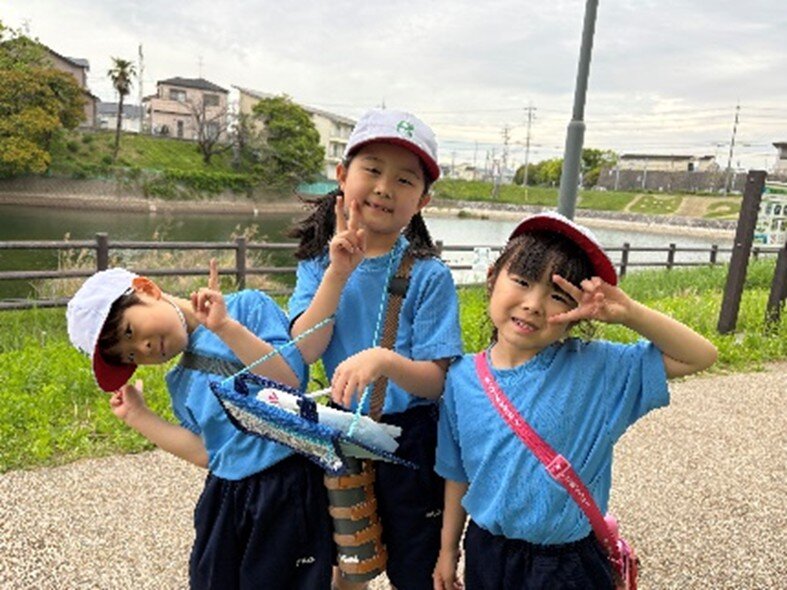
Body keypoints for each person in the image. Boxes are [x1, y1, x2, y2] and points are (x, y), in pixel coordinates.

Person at [432, 211, 718, 590]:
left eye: (558, 296)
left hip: (568, 563)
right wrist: (448, 549)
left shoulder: (598, 368)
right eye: (522, 281)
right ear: (491, 278)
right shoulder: (461, 377)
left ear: (577, 314)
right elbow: (456, 473)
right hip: (487, 551)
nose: (534, 304)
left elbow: (700, 355)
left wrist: (630, 313)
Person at [65, 260, 333, 590]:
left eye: (129, 331)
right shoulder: (179, 384)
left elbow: (289, 382)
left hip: (286, 484)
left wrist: (225, 328)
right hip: (225, 496)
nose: (142, 349)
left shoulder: (246, 307)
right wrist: (138, 416)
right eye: (130, 356)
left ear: (147, 289)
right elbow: (208, 453)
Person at [288, 108, 463, 590]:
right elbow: (305, 349)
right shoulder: (318, 265)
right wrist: (337, 273)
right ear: (342, 176)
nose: (385, 187)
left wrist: (385, 361)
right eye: (372, 170)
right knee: (347, 562)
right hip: (341, 431)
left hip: (412, 440)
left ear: (422, 200)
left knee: (417, 568)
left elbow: (437, 380)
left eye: (404, 180)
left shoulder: (429, 275)